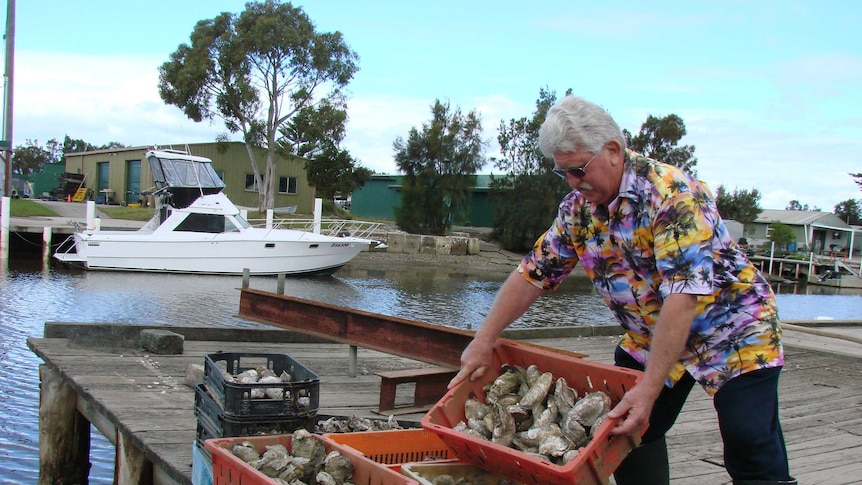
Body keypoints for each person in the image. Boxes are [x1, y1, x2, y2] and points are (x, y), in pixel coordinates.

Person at [449, 95, 795, 485]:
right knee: (622, 431)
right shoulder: (576, 210)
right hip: (649, 336)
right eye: (563, 173)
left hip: (733, 330)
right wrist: (484, 339)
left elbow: (683, 299)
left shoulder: (674, 196)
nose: (573, 183)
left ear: (613, 150)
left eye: (578, 170)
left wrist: (648, 392)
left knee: (748, 439)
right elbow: (532, 274)